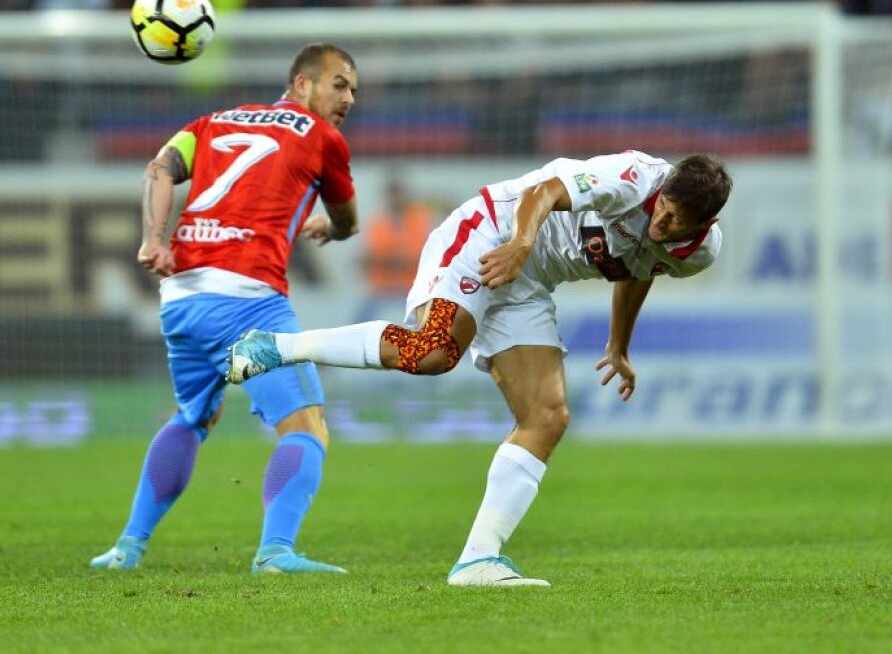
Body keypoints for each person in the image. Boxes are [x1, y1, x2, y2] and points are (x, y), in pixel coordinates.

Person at [229, 150, 732, 586]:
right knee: (431, 351)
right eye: (663, 209)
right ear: (662, 190)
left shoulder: (700, 253)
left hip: (531, 283)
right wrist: (521, 244)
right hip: (492, 233)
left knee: (548, 417)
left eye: (675, 222)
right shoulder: (631, 177)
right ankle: (276, 347)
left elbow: (640, 269)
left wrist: (618, 344)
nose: (660, 224)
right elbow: (542, 192)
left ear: (703, 225)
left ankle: (478, 559)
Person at [90, 43, 360, 574]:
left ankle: (127, 547)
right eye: (339, 84)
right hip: (247, 301)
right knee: (308, 427)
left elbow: (159, 169)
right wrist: (333, 229)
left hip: (182, 297)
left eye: (353, 90)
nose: (348, 98)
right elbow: (348, 219)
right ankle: (277, 552)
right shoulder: (325, 138)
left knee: (195, 415)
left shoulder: (211, 121)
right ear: (301, 85)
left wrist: (153, 239)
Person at [355, 176, 436, 322]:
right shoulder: (377, 222)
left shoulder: (421, 219)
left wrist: (391, 260)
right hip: (381, 289)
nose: (396, 198)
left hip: (412, 288)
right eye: (392, 194)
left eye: (398, 193)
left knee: (426, 323)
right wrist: (391, 261)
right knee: (359, 323)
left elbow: (430, 257)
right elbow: (364, 258)